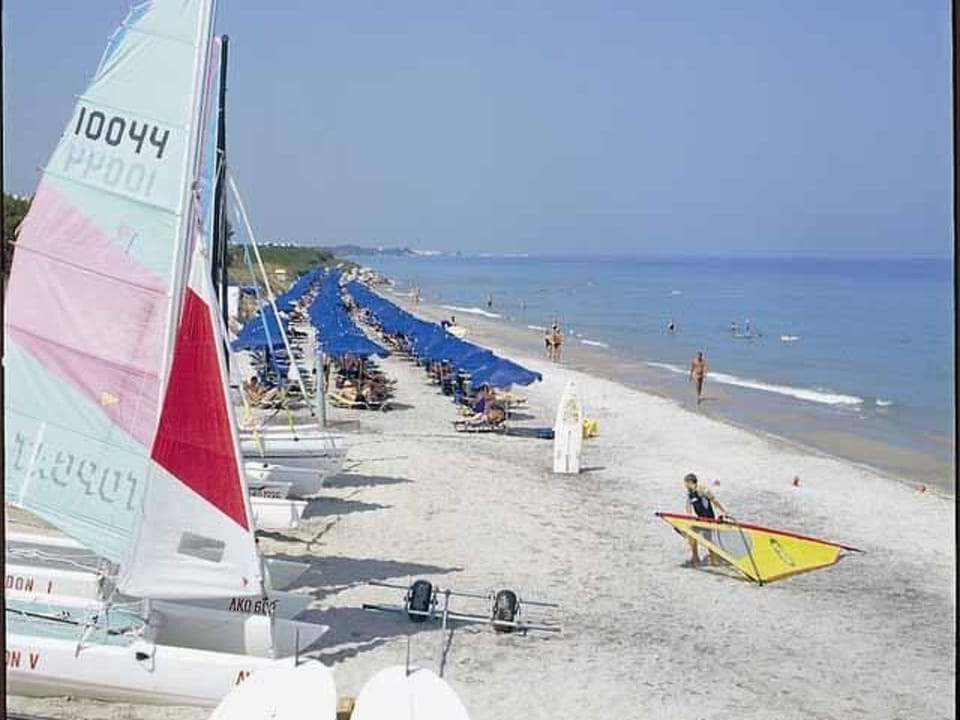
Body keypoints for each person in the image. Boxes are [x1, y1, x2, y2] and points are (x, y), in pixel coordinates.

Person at [683, 472, 728, 566]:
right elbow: (688, 507)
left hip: (709, 519)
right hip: (700, 519)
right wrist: (689, 517)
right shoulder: (689, 494)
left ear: (690, 482)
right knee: (691, 533)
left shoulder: (702, 490)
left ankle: (715, 559)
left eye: (685, 483)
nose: (685, 485)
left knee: (708, 540)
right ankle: (695, 557)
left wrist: (723, 511)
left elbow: (714, 500)